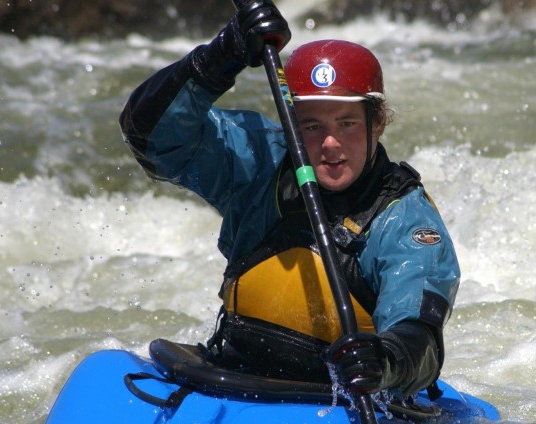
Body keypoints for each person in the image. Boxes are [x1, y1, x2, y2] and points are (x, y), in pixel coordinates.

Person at [118, 1, 459, 399]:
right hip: (235, 374)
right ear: (290, 123)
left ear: (378, 121)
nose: (330, 145)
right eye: (312, 126)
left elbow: (420, 335)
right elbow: (149, 134)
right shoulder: (258, 162)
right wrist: (220, 56)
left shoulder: (403, 218)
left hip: (342, 397)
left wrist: (385, 360)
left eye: (347, 124)